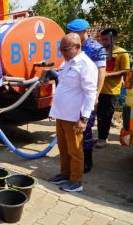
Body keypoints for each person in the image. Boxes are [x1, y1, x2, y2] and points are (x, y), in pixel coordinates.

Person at [48, 33, 98, 192]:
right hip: (61, 114)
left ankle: (76, 181)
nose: (62, 52)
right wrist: (53, 109)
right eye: (60, 49)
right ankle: (65, 174)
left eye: (65, 49)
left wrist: (84, 119)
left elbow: (90, 92)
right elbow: (63, 87)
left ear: (77, 47)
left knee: (75, 151)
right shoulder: (67, 63)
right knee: (63, 148)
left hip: (74, 117)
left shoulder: (86, 65)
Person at [66, 18, 106, 173]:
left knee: (85, 128)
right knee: (72, 127)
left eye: (75, 32)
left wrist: (96, 95)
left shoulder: (96, 48)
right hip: (73, 94)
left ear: (84, 32)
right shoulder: (73, 46)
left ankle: (87, 160)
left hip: (87, 94)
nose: (72, 35)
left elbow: (102, 73)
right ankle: (75, 157)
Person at [96, 28, 130, 148]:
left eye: (106, 39)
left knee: (106, 114)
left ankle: (102, 138)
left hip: (111, 90)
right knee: (98, 113)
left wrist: (108, 74)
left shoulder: (121, 52)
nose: (103, 42)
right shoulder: (100, 51)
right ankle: (100, 135)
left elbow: (126, 70)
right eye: (102, 39)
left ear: (114, 39)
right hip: (97, 88)